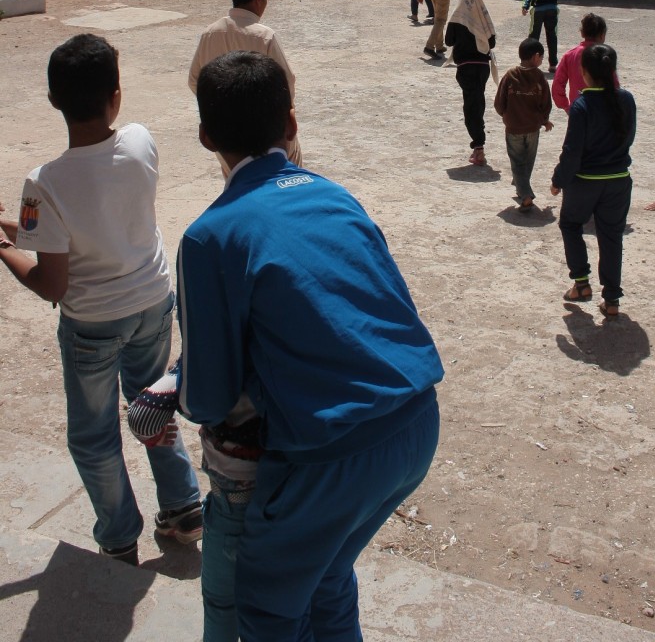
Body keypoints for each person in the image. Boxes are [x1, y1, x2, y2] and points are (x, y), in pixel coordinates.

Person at [177, 52, 443, 642]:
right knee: (326, 574)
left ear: (204, 137)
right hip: (416, 423)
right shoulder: (334, 195)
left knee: (269, 607)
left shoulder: (209, 236)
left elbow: (207, 395)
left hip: (332, 453)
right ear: (291, 123)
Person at [0, 34, 201, 565]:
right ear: (116, 95)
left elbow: (51, 283)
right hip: (152, 305)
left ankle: (117, 536)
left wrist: (3, 245)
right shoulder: (140, 141)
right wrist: (12, 225)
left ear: (52, 99)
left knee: (93, 437)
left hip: (93, 325)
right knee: (151, 407)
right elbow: (76, 223)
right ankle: (182, 505)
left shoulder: (43, 183)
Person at [129, 363, 261, 642]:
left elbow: (143, 415)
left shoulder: (221, 333)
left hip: (234, 496)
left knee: (222, 605)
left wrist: (153, 435)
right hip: (301, 491)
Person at [551, 43, 636, 317]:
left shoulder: (582, 105)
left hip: (585, 181)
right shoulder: (627, 100)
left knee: (570, 224)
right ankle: (611, 299)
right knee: (611, 237)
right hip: (619, 180)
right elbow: (628, 138)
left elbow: (572, 152)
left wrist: (559, 179)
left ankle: (581, 283)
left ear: (584, 72)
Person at [188, 0, 301, 165]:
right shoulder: (264, 36)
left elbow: (194, 80)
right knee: (286, 171)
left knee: (235, 179)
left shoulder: (209, 33)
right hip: (265, 129)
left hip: (226, 132)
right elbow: (286, 82)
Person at [494, 37, 553, 211]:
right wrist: (544, 120)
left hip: (513, 128)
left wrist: (506, 115)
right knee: (527, 160)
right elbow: (545, 103)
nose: (541, 61)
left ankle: (524, 193)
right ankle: (523, 188)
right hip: (533, 128)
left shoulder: (510, 75)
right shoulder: (539, 77)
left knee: (517, 160)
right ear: (536, 57)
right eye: (541, 58)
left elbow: (499, 102)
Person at [445, 0, 496, 165]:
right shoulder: (483, 15)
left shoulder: (457, 18)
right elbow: (492, 41)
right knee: (478, 103)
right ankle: (479, 145)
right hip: (482, 68)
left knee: (471, 107)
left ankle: (479, 147)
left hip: (466, 69)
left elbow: (448, 40)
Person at [552, 13, 609, 112]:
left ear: (582, 33)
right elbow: (614, 83)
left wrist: (565, 106)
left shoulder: (570, 55)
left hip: (578, 109)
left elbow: (558, 84)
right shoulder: (605, 55)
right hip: (602, 110)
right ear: (602, 35)